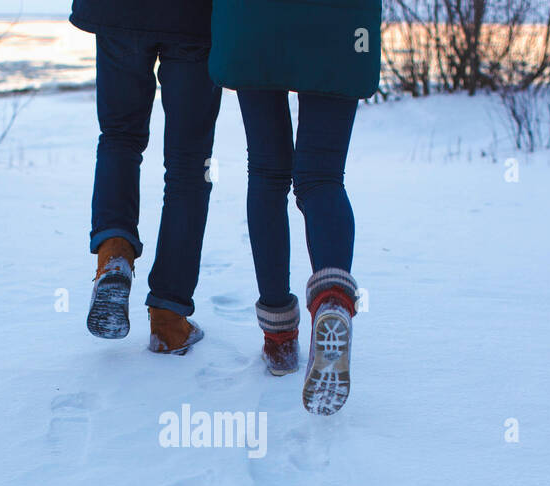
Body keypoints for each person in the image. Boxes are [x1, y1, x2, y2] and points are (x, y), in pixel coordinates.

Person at [209, 0, 381, 414]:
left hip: (256, 19)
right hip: (340, 24)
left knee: (267, 173)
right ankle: (333, 301)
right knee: (322, 177)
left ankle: (280, 341)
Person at [71, 0, 222, 355]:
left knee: (119, 138)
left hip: (119, 12)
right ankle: (169, 321)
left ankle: (114, 257)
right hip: (194, 19)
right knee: (189, 164)